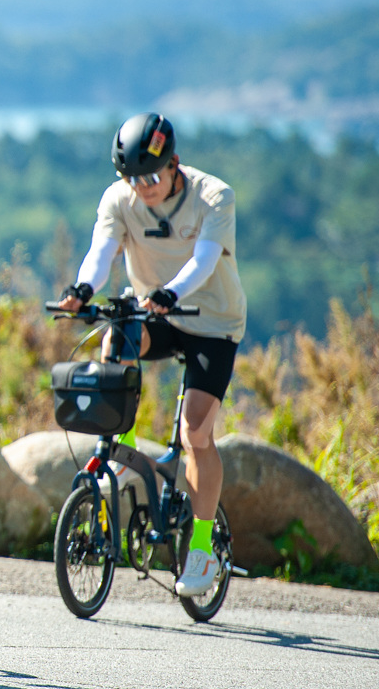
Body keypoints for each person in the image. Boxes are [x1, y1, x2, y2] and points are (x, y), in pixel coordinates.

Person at [59, 113, 246, 597]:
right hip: (156, 314)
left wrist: (170, 292)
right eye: (132, 179)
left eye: (151, 178)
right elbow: (102, 251)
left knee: (196, 433)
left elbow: (205, 259)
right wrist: (82, 289)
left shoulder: (214, 196)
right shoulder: (119, 199)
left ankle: (201, 548)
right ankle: (123, 448)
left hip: (212, 322)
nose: (141, 188)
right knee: (116, 338)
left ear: (174, 164)